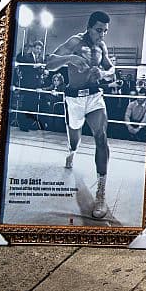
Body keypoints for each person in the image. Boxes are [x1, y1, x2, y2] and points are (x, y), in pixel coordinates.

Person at [46, 11, 115, 218]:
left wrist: (104, 73)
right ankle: (72, 151)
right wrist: (71, 58)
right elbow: (50, 63)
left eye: (105, 31)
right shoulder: (75, 41)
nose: (102, 34)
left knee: (101, 137)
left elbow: (112, 68)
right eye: (98, 30)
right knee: (75, 138)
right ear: (89, 27)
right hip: (74, 99)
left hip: (94, 96)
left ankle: (101, 192)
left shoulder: (101, 46)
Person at [15, 40, 46, 131]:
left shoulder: (40, 59)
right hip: (27, 84)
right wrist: (33, 66)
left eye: (40, 49)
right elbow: (23, 68)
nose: (38, 50)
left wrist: (42, 70)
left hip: (36, 84)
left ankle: (29, 124)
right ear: (33, 48)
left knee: (32, 105)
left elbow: (39, 71)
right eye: (37, 48)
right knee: (26, 104)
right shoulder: (26, 56)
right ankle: (23, 125)